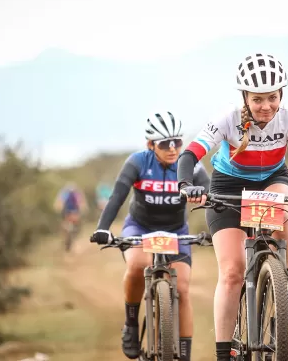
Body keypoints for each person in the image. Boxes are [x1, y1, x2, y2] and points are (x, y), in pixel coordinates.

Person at [176, 53, 288, 361]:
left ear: (281, 94)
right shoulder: (227, 118)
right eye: (258, 99)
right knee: (231, 272)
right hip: (228, 187)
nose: (266, 106)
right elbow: (189, 154)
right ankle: (223, 352)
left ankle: (282, 286)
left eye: (272, 97)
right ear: (245, 96)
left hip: (273, 180)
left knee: (281, 209)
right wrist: (186, 185)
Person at [90, 111, 211, 361]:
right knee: (137, 265)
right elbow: (117, 197)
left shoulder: (191, 165)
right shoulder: (137, 162)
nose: (172, 149)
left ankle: (184, 354)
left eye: (177, 142)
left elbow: (213, 197)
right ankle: (132, 325)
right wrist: (103, 228)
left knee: (184, 288)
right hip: (140, 227)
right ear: (150, 145)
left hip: (176, 231)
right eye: (165, 143)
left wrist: (216, 229)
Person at [53, 181, 88, 250]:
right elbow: (59, 202)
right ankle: (68, 236)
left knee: (73, 225)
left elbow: (81, 202)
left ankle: (70, 237)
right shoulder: (70, 193)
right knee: (70, 225)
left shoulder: (70, 193)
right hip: (70, 212)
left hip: (70, 212)